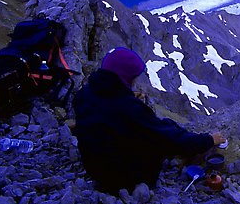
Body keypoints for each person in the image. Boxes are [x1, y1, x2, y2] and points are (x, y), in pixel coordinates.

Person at [72, 47, 225, 194]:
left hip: (94, 168)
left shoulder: (84, 93)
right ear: (125, 76)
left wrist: (127, 96)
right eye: (133, 77)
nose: (134, 81)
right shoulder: (129, 108)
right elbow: (170, 139)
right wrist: (209, 139)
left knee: (150, 128)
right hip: (121, 179)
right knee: (164, 128)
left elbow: (107, 111)